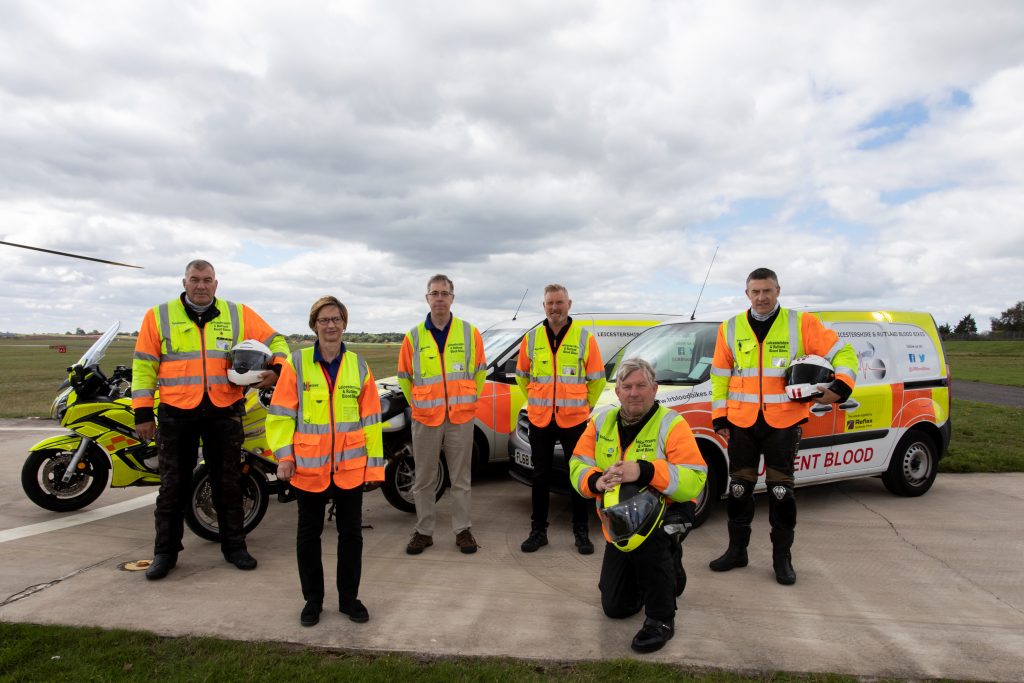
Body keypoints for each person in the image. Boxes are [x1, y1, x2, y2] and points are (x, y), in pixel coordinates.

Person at [132, 259, 289, 580]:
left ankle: (234, 547)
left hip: (224, 410)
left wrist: (277, 369)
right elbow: (144, 366)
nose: (201, 285)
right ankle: (165, 553)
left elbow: (277, 341)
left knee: (228, 482)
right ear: (184, 282)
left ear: (216, 284)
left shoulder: (237, 314)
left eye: (207, 280)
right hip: (177, 413)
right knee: (173, 486)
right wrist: (143, 412)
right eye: (195, 279)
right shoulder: (158, 317)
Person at [709, 267, 857, 585]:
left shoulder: (800, 323)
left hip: (783, 423)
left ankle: (782, 559)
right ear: (746, 294)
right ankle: (737, 552)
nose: (761, 297)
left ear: (778, 291)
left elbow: (843, 352)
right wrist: (719, 416)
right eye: (755, 292)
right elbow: (720, 375)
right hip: (741, 423)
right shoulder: (730, 327)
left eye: (767, 291)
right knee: (738, 490)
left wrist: (841, 386)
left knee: (780, 492)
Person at [570, 358, 708, 653]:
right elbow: (577, 464)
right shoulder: (601, 420)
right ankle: (671, 572)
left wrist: (645, 471)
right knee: (615, 607)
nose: (634, 393)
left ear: (654, 389)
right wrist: (595, 481)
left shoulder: (672, 423)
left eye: (641, 386)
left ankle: (661, 619)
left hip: (667, 511)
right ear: (617, 392)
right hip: (619, 520)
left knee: (653, 542)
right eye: (627, 387)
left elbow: (695, 478)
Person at [266, 296, 383, 627]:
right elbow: (280, 415)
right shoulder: (297, 363)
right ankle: (312, 600)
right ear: (314, 325)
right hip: (309, 467)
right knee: (308, 535)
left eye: (336, 319)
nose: (331, 326)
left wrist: (374, 468)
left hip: (350, 469)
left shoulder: (359, 366)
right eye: (324, 320)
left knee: (351, 535)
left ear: (344, 324)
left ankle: (348, 599)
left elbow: (371, 420)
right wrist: (284, 456)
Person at [398, 274, 487, 555]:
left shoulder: (469, 332)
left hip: (460, 417)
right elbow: (404, 377)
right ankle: (424, 531)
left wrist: (469, 399)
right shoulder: (413, 336)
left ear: (452, 298)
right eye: (434, 293)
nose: (439, 298)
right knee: (424, 478)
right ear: (427, 298)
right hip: (426, 418)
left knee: (461, 479)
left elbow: (480, 372)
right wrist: (420, 403)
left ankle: (462, 530)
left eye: (444, 293)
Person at [515, 284, 605, 554]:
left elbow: (597, 379)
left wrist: (585, 406)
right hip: (541, 420)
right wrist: (535, 401)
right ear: (543, 306)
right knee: (540, 477)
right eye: (550, 303)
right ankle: (538, 531)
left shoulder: (584, 338)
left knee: (577, 476)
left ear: (569, 304)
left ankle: (581, 531)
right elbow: (522, 376)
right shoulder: (531, 339)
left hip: (574, 420)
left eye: (559, 302)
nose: (554, 307)